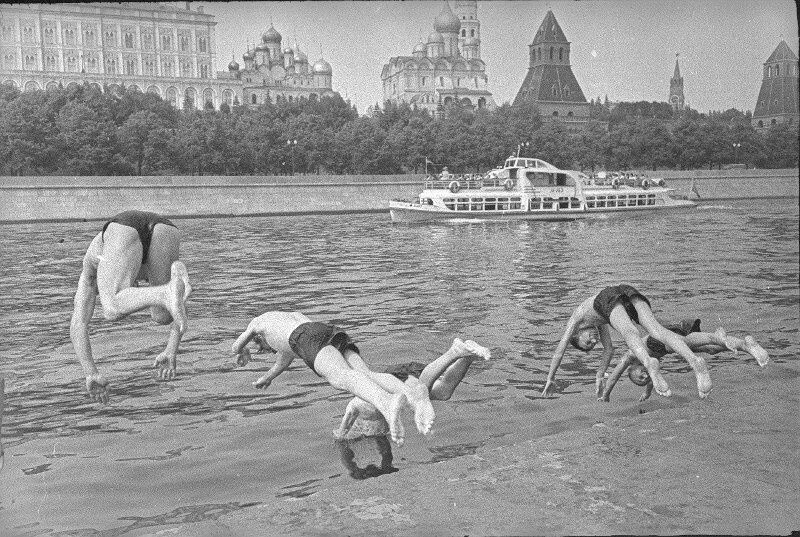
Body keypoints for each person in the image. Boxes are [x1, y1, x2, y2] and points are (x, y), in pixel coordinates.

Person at [232, 311, 435, 446]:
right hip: (325, 330)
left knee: (341, 378)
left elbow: (236, 346)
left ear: (257, 340)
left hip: (304, 337)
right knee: (366, 374)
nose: (267, 351)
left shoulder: (257, 324)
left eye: (262, 348)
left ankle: (387, 402)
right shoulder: (283, 319)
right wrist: (268, 377)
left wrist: (242, 350)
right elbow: (284, 358)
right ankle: (413, 394)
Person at [70, 210, 192, 404]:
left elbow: (78, 324)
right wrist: (171, 350)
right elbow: (179, 311)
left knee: (111, 308)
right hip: (166, 228)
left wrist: (90, 373)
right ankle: (177, 273)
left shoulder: (89, 274)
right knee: (163, 315)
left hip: (123, 227)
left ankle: (166, 290)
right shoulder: (120, 266)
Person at [542, 284, 713, 400]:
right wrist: (600, 374)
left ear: (577, 334)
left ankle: (649, 363)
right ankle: (695, 361)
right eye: (593, 344)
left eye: (587, 342)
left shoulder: (576, 320)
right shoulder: (598, 322)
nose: (594, 341)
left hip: (606, 298)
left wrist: (550, 378)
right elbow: (608, 350)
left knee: (630, 332)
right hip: (625, 289)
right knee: (657, 330)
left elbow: (559, 350)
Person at [333, 338, 491, 441]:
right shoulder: (373, 414)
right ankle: (467, 356)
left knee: (422, 392)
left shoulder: (358, 406)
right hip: (399, 376)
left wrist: (340, 437)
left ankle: (454, 352)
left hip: (394, 378)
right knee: (444, 392)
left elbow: (343, 431)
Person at [600, 320, 769, 402]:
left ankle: (719, 336)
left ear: (632, 370)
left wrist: (606, 394)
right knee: (710, 348)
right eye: (644, 380)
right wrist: (647, 392)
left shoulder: (630, 356)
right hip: (668, 343)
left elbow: (614, 375)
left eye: (638, 377)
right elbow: (652, 378)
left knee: (694, 342)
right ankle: (745, 345)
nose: (644, 377)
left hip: (661, 339)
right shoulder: (650, 367)